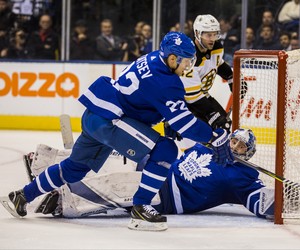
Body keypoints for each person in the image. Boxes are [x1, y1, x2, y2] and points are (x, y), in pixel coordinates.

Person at [3, 31, 233, 231]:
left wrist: (167, 120)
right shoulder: (167, 82)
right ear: (172, 58)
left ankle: (22, 196)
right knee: (166, 150)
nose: (188, 67)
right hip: (112, 120)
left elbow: (148, 100)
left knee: (74, 169)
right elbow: (185, 123)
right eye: (185, 62)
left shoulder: (154, 58)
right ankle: (141, 207)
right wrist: (214, 138)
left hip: (97, 115)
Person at [23, 128, 275, 220]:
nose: (234, 147)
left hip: (164, 195)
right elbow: (181, 150)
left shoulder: (243, 177)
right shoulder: (210, 147)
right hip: (157, 169)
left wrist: (279, 200)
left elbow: (257, 200)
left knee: (115, 186)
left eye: (241, 147)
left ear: (247, 153)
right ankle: (44, 162)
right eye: (234, 141)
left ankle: (63, 201)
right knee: (111, 156)